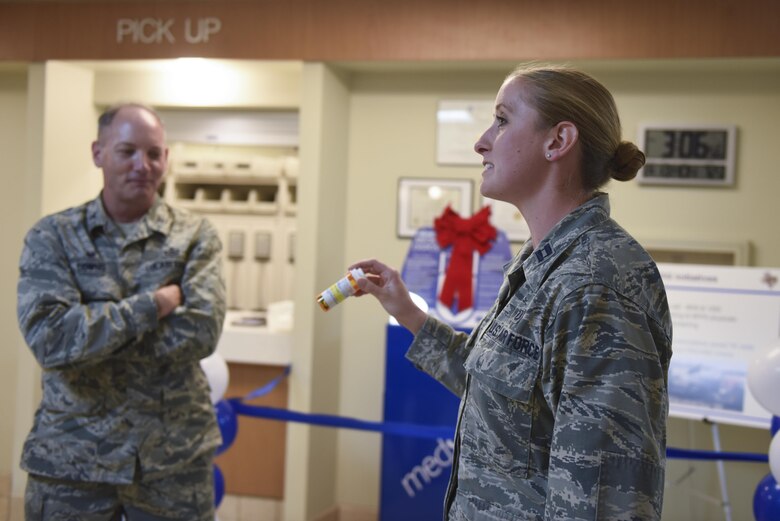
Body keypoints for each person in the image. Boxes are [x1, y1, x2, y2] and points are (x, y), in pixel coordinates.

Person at [353, 65, 672, 521]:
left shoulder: (597, 282)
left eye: (502, 120)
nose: (482, 141)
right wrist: (407, 312)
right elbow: (501, 396)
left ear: (558, 142)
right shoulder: (544, 263)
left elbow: (602, 499)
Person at [17, 103, 226, 520]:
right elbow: (51, 340)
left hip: (172, 460)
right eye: (127, 151)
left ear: (166, 158)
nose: (142, 165)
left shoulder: (195, 237)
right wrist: (155, 304)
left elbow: (201, 333)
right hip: (72, 459)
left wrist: (90, 336)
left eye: (153, 153)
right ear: (98, 153)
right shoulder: (53, 237)